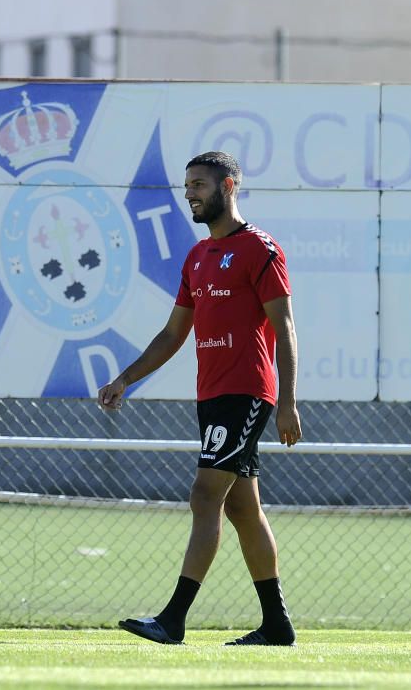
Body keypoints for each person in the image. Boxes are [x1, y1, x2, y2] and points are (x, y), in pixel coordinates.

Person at [98, 151, 302, 646]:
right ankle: (276, 625)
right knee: (241, 510)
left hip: (246, 392)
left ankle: (173, 619)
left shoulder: (261, 249)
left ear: (229, 186)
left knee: (205, 495)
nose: (190, 192)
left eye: (200, 184)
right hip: (212, 396)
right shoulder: (197, 257)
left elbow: (285, 327)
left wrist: (289, 401)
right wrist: (125, 377)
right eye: (187, 185)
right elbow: (172, 335)